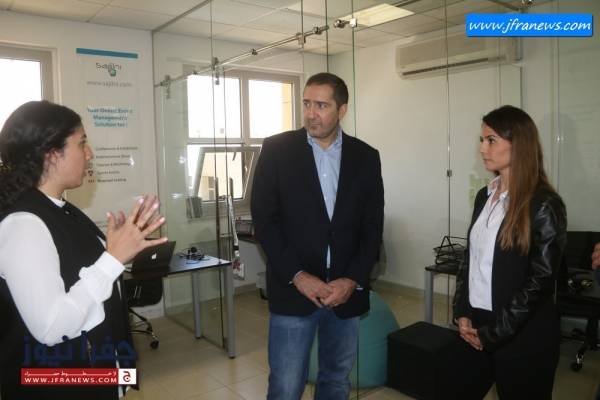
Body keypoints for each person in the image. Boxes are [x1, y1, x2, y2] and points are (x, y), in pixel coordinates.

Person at [0, 101, 167, 400]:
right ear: (51, 153)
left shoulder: (60, 208)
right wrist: (112, 258)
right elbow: (51, 327)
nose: (89, 154)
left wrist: (114, 247)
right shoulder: (23, 224)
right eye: (81, 143)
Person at [251, 72, 384, 400]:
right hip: (294, 292)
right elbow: (265, 223)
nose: (311, 113)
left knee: (336, 381)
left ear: (342, 110)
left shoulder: (366, 157)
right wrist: (298, 276)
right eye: (307, 104)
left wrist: (351, 279)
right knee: (285, 387)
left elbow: (372, 227)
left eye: (321, 105)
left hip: (344, 295)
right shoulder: (277, 150)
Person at [453, 105, 567, 399]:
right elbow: (470, 259)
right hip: (477, 327)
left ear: (519, 144)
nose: (482, 148)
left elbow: (540, 282)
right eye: (482, 140)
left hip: (522, 336)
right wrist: (462, 312)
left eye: (491, 140)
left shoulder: (544, 204)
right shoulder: (485, 195)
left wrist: (495, 333)